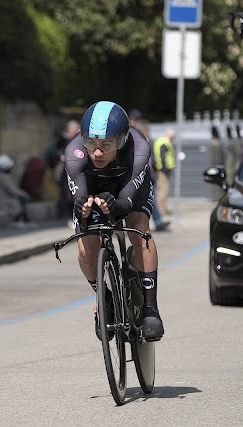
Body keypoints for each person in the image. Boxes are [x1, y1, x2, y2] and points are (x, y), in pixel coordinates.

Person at [64, 101, 164, 341]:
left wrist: (116, 205)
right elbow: (80, 200)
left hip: (127, 188)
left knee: (138, 227)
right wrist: (83, 208)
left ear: (121, 140)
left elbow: (126, 204)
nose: (97, 152)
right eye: (91, 143)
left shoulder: (138, 146)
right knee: (87, 246)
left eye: (107, 145)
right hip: (93, 187)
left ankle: (151, 308)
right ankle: (105, 298)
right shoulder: (75, 152)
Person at [135, 119, 170, 231]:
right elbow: (150, 161)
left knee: (149, 200)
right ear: (144, 130)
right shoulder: (144, 141)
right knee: (150, 200)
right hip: (145, 176)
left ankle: (157, 222)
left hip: (143, 176)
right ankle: (157, 222)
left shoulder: (137, 141)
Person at [0, 154, 32, 227]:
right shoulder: (3, 177)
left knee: (19, 199)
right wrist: (23, 194)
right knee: (22, 199)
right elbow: (12, 190)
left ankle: (23, 219)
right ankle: (19, 219)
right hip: (1, 201)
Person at [153, 128, 176, 216]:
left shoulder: (161, 141)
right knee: (163, 190)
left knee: (163, 189)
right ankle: (161, 209)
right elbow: (162, 157)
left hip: (162, 169)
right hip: (163, 170)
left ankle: (161, 208)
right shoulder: (164, 143)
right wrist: (165, 169)